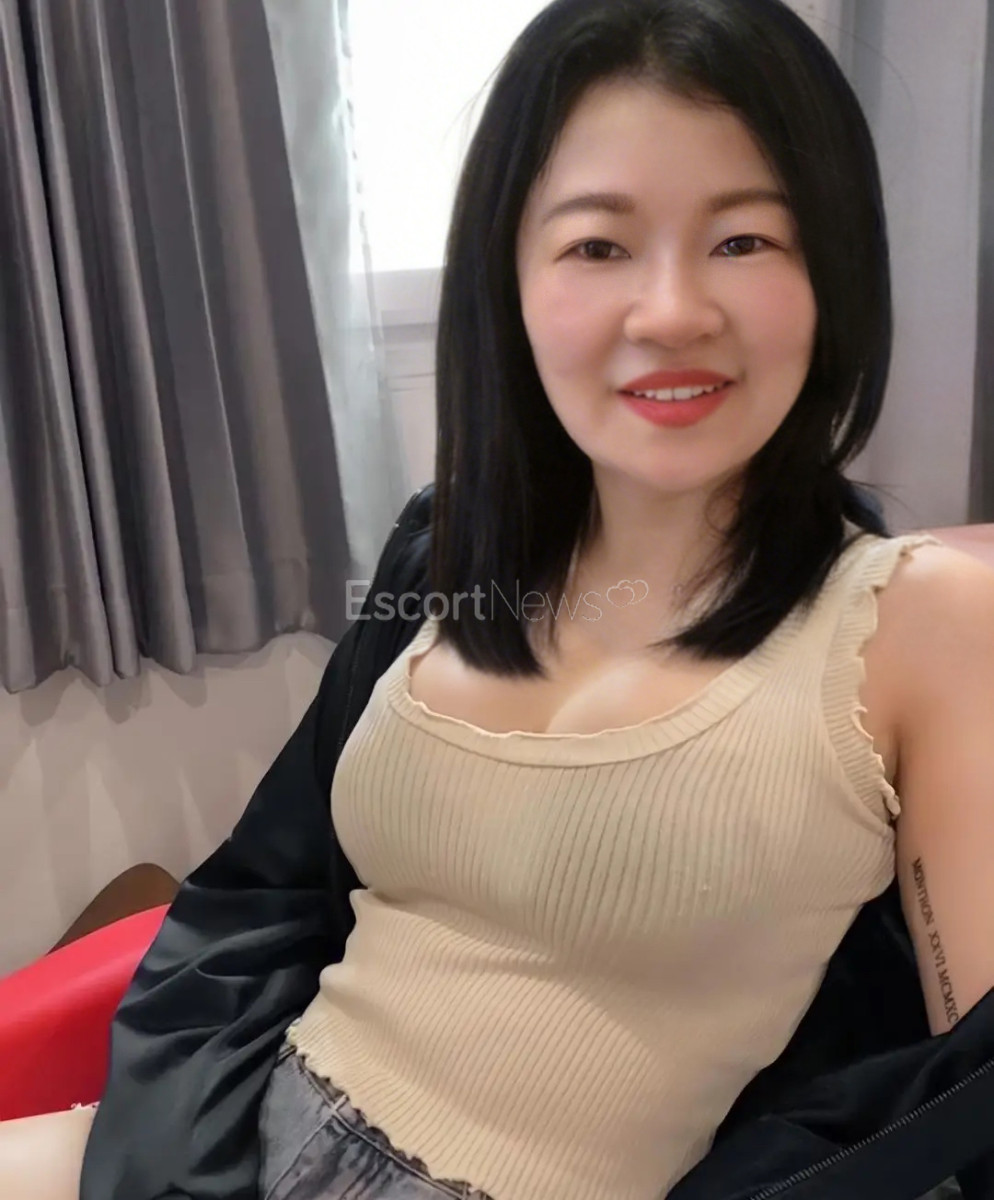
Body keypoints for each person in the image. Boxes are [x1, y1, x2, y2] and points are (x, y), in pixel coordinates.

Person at [5, 0, 994, 1197]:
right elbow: (266, 889)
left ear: (834, 268)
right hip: (232, 1134)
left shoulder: (921, 623)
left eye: (744, 240)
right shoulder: (445, 550)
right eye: (597, 245)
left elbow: (962, 1109)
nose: (672, 311)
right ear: (509, 282)